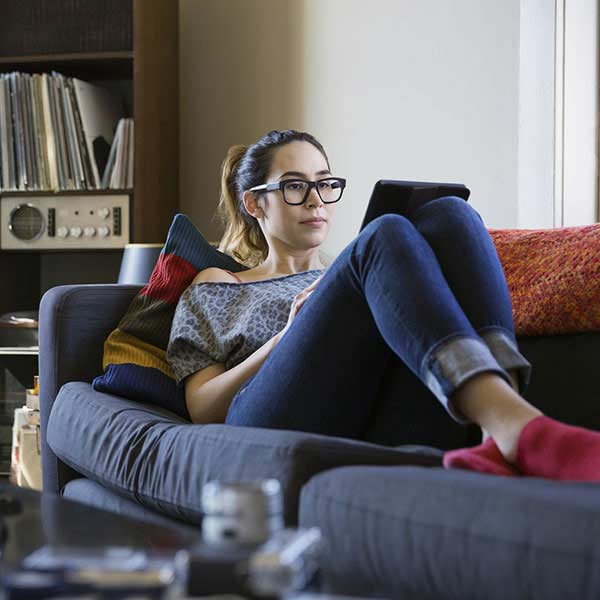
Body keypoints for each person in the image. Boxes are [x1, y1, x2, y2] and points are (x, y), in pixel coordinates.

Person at [167, 128, 600, 482]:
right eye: (296, 186)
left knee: (452, 213)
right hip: (261, 416)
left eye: (325, 183)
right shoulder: (220, 282)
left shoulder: (354, 276)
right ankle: (519, 430)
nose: (316, 198)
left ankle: (496, 424)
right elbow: (202, 407)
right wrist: (287, 335)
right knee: (384, 234)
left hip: (371, 400)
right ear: (254, 202)